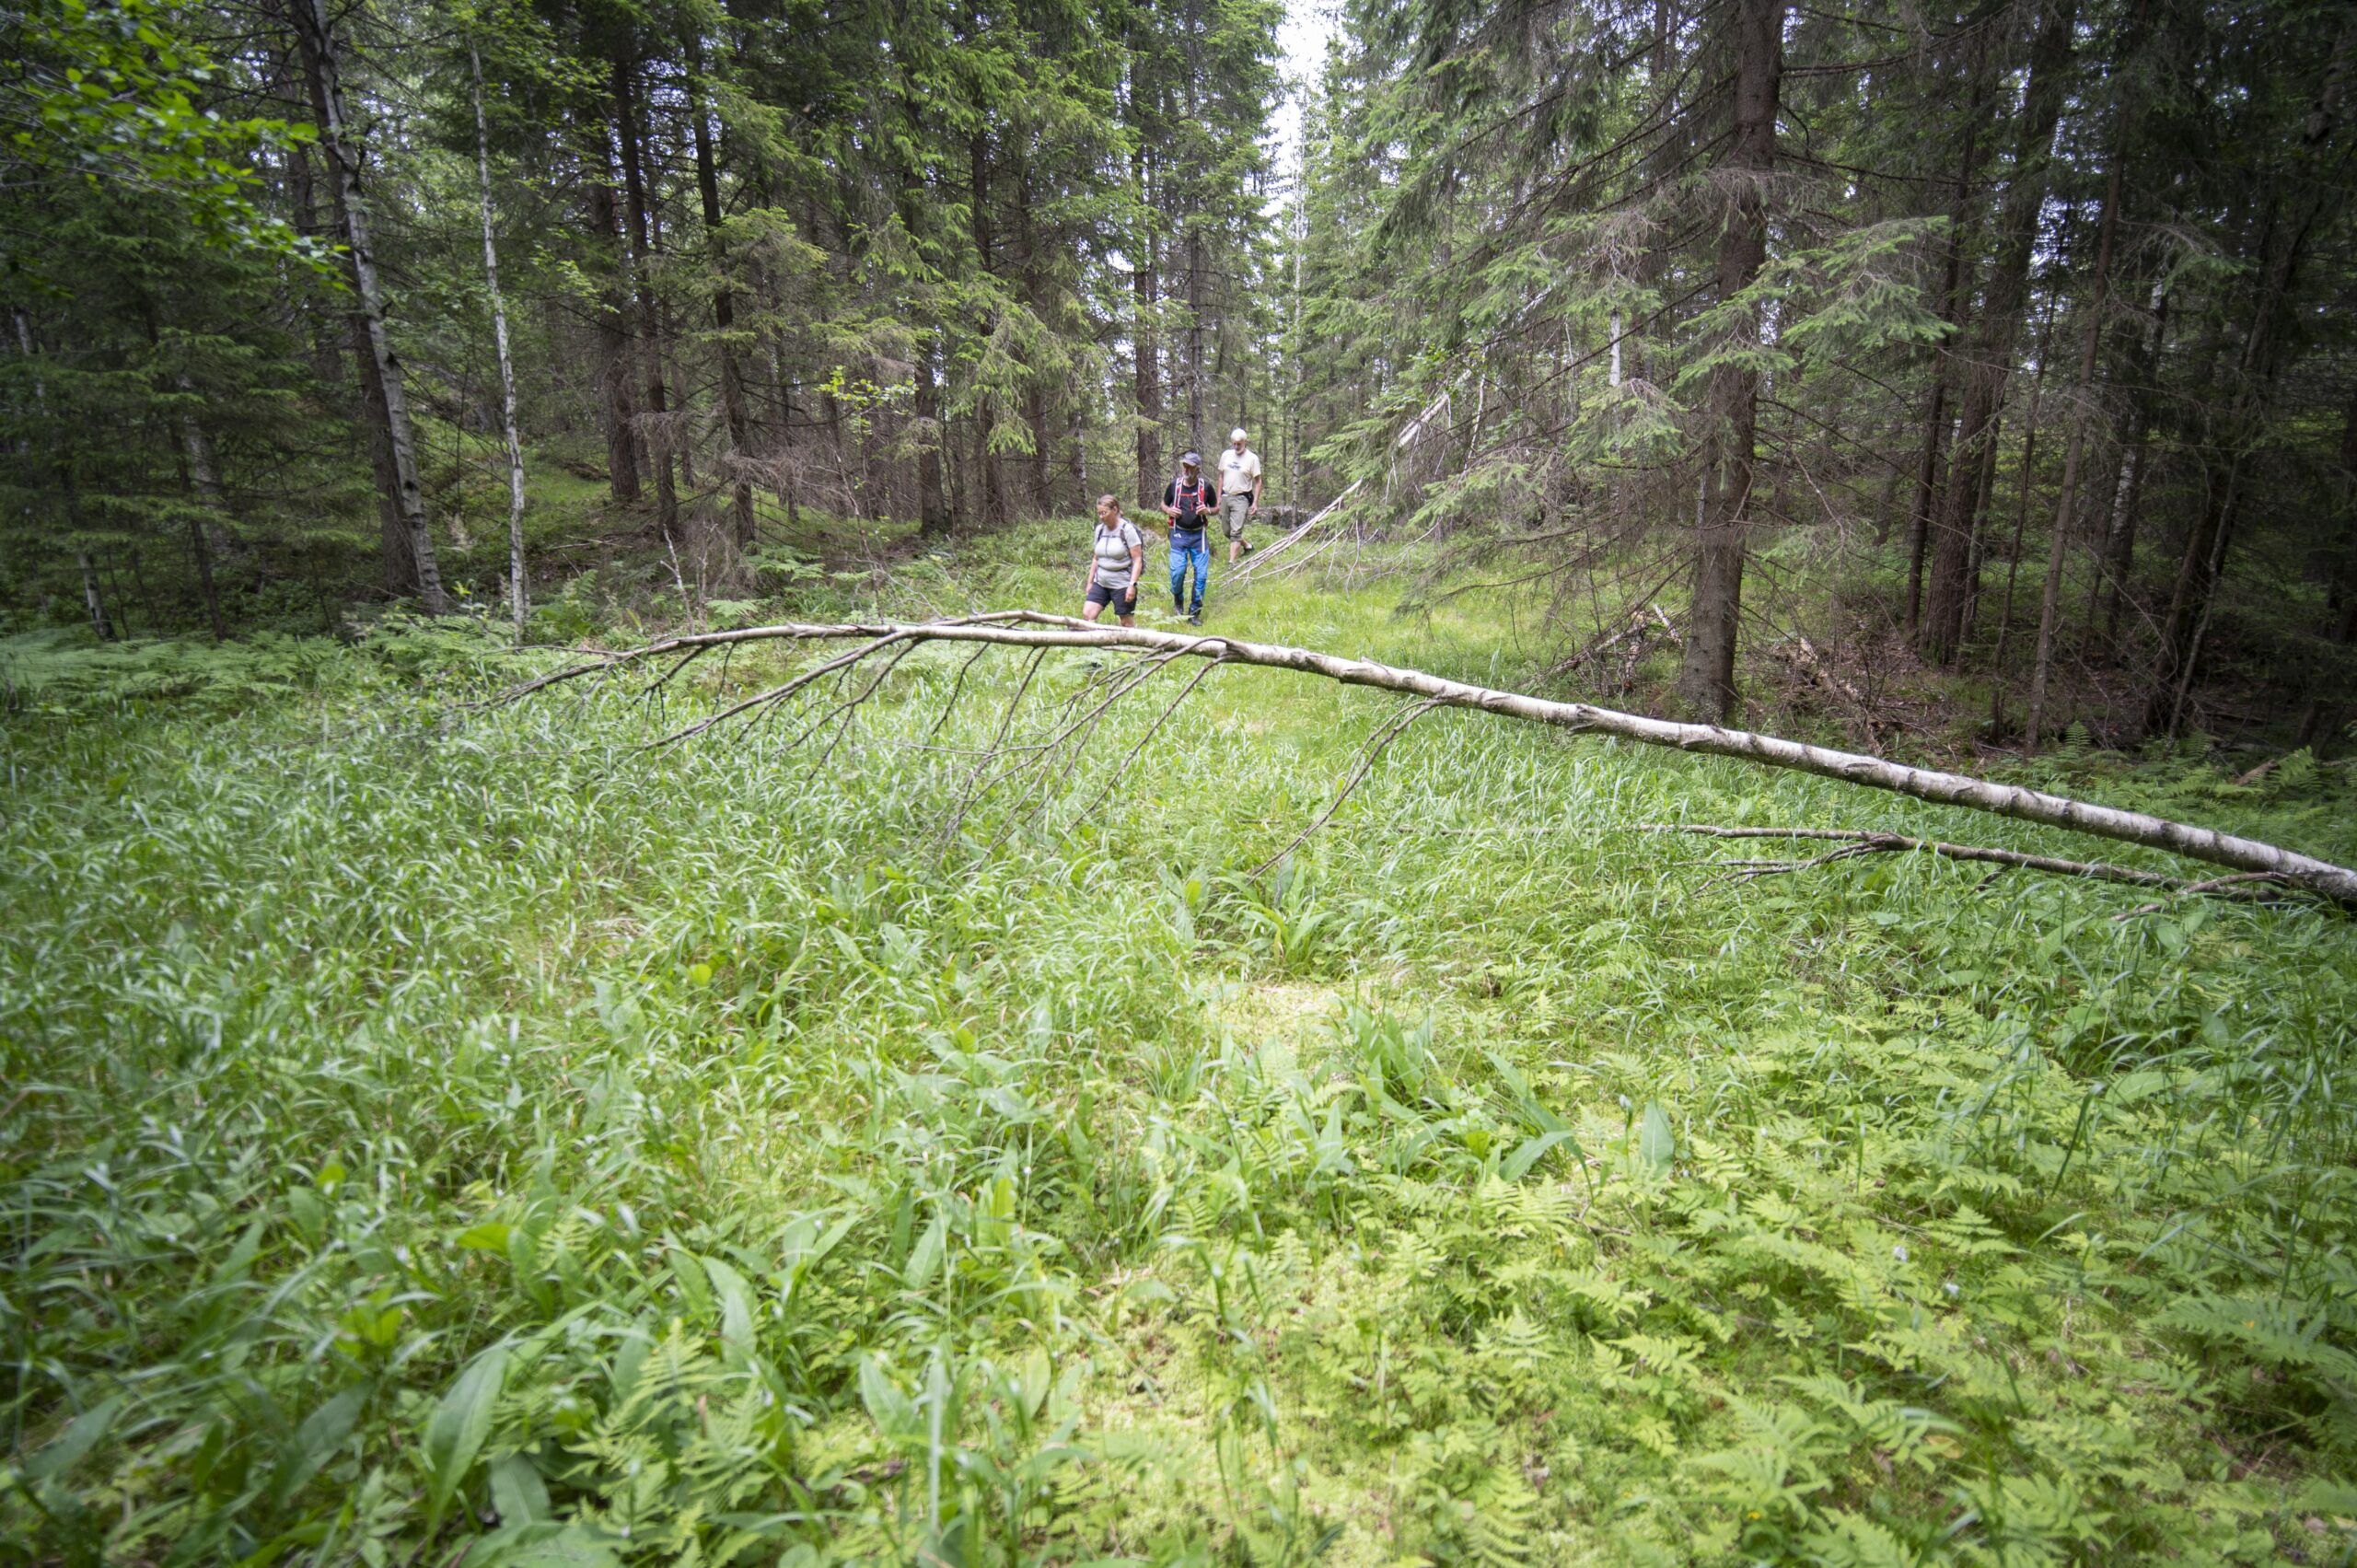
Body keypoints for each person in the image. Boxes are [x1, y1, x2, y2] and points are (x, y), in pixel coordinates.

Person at [1162, 451, 1215, 625]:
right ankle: (1178, 601)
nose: (1186, 469)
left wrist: (1207, 510)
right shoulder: (1174, 486)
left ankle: (1194, 613)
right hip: (1179, 534)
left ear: (1197, 469)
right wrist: (1169, 510)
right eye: (1184, 465)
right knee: (1177, 572)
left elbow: (1216, 507)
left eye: (1190, 466)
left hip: (1199, 535)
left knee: (1201, 576)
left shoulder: (1205, 487)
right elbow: (1163, 504)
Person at [1080, 494, 1143, 626]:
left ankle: (1133, 644)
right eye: (1099, 513)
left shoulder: (1127, 530)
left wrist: (1132, 585)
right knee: (1088, 614)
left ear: (1114, 510)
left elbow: (1137, 560)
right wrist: (1090, 582)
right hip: (1101, 581)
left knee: (1126, 622)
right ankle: (1094, 643)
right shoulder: (1100, 530)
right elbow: (1095, 559)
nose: (1101, 517)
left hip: (1122, 583)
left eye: (1104, 513)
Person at [1216, 426, 1262, 565]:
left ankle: (1232, 563)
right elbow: (1221, 476)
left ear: (1245, 442)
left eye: (1239, 444)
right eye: (1234, 444)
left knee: (1235, 532)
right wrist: (1218, 497)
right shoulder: (1226, 455)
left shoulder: (1252, 459)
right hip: (1226, 496)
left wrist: (1255, 502)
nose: (1236, 447)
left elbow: (1258, 481)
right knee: (1227, 531)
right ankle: (1247, 546)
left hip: (1241, 498)